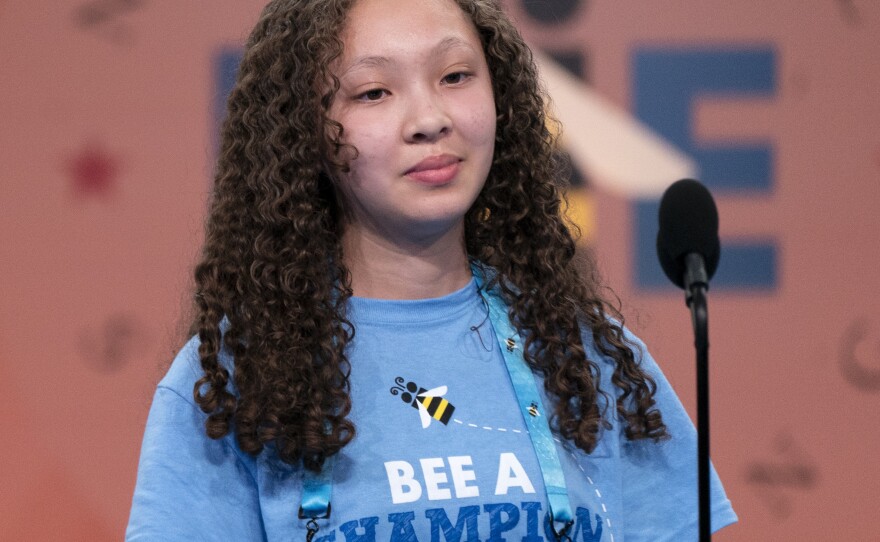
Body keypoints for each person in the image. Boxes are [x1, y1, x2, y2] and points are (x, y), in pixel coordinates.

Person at [126, 0, 737, 540]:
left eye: (455, 77)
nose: (429, 119)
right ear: (305, 131)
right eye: (374, 92)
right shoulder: (237, 376)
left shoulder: (584, 356)